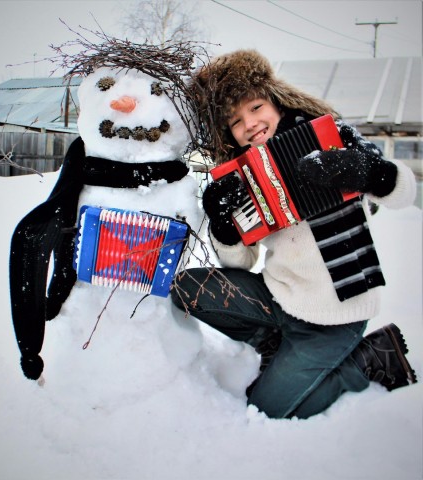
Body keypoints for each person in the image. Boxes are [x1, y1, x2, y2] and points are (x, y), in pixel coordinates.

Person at [170, 49, 418, 420]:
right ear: (228, 134)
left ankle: (367, 360)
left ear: (273, 98)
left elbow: (406, 193)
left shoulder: (331, 135)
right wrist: (222, 221)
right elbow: (242, 261)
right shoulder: (241, 174)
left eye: (255, 107)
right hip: (279, 298)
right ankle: (273, 343)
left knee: (265, 410)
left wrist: (368, 171)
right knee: (188, 288)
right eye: (236, 121)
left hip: (336, 319)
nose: (250, 124)